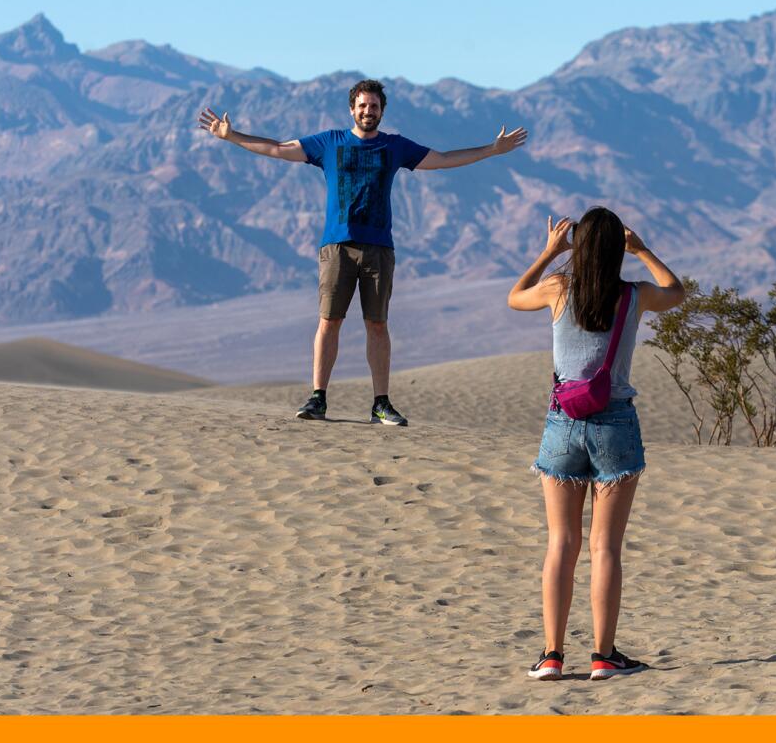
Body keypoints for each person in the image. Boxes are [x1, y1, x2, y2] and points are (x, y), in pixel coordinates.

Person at [199, 79, 527, 426]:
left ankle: (381, 404)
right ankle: (318, 398)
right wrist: (232, 137)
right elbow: (279, 148)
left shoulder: (394, 147)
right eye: (363, 106)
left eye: (374, 107)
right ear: (352, 109)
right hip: (337, 246)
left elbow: (443, 160)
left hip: (379, 248)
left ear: (382, 111)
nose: (368, 111)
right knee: (329, 321)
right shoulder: (329, 143)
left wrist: (491, 149)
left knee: (377, 325)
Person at [507, 206, 684, 681]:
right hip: (615, 426)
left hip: (562, 423)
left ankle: (551, 655)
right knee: (605, 547)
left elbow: (514, 296)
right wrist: (642, 248)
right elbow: (677, 292)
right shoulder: (634, 295)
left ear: (580, 247)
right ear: (615, 249)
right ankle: (604, 655)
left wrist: (549, 251)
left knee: (561, 543)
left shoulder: (557, 289)